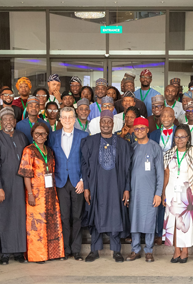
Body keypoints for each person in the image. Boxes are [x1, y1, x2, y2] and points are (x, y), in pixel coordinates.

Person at [80, 111, 132, 263]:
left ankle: (116, 251)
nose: (106, 124)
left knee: (115, 216)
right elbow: (84, 166)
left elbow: (128, 168)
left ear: (113, 124)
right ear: (99, 123)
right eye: (103, 121)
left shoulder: (123, 144)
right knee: (96, 216)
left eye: (109, 121)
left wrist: (127, 188)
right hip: (96, 186)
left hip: (116, 186)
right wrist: (87, 188)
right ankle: (94, 250)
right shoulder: (90, 142)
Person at [0, 108, 30, 264]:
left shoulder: (22, 137)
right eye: (5, 119)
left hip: (20, 184)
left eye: (11, 119)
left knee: (19, 217)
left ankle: (19, 252)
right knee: (3, 217)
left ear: (15, 121)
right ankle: (4, 253)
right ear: (0, 122)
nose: (8, 122)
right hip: (3, 184)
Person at [19, 123, 65, 263]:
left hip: (50, 192)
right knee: (36, 225)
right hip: (36, 193)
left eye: (43, 134)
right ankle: (37, 255)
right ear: (33, 135)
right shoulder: (29, 150)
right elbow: (26, 174)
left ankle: (52, 253)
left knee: (52, 222)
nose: (40, 136)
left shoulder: (49, 150)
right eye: (37, 134)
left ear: (47, 136)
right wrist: (30, 194)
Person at [162, 125, 193, 263]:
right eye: (177, 136)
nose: (179, 139)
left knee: (186, 223)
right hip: (171, 191)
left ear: (188, 138)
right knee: (172, 222)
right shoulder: (170, 153)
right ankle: (176, 250)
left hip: (187, 193)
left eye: (182, 137)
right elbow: (166, 174)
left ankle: (185, 250)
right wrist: (163, 193)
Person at [51, 107, 89, 261]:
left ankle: (76, 249)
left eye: (70, 117)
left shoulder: (84, 136)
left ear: (75, 119)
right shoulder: (53, 137)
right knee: (64, 217)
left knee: (77, 216)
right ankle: (65, 249)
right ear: (60, 119)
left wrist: (83, 180)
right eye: (64, 117)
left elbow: (87, 161)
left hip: (77, 182)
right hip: (60, 181)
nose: (67, 120)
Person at [127, 117, 164, 263]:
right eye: (136, 129)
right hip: (134, 191)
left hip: (150, 192)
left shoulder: (155, 147)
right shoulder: (132, 148)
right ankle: (135, 249)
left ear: (148, 130)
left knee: (149, 220)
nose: (139, 131)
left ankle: (149, 250)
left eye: (142, 128)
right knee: (134, 220)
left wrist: (158, 193)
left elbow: (161, 173)